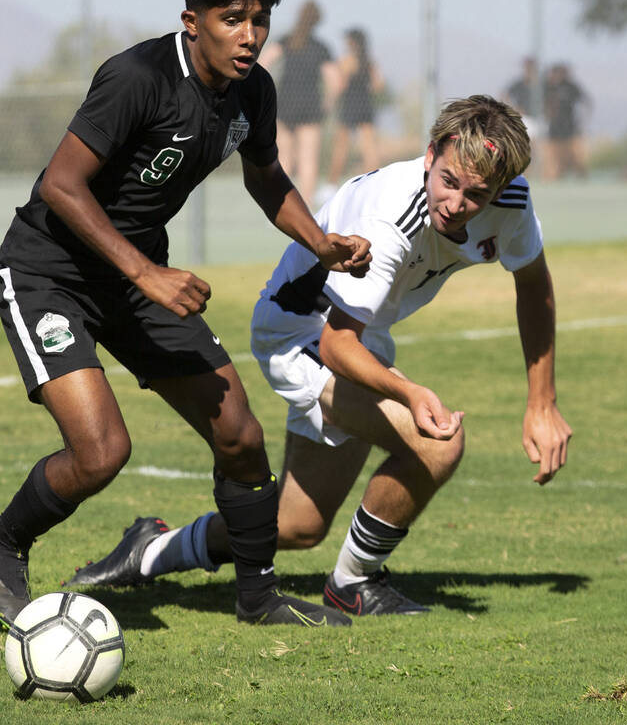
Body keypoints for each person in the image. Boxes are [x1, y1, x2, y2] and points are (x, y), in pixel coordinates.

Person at [0, 0, 372, 631]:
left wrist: (321, 243)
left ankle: (258, 599)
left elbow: (265, 173)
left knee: (241, 435)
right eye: (231, 19)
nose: (248, 37)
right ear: (193, 20)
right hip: (50, 274)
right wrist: (145, 272)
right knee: (101, 453)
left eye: (260, 20)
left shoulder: (254, 89)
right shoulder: (138, 77)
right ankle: (4, 545)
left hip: (138, 280)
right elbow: (60, 186)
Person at [67, 95, 572, 616]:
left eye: (476, 194)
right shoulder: (391, 218)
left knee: (296, 525)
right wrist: (410, 391)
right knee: (437, 441)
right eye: (448, 181)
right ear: (430, 155)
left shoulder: (511, 201)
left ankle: (148, 551)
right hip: (300, 333)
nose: (456, 202)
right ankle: (354, 582)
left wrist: (542, 402)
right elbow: (335, 345)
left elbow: (534, 283)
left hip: (357, 333)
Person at [258, 0, 335, 208]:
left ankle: (280, 207)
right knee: (308, 161)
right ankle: (305, 207)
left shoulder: (286, 41)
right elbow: (334, 79)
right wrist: (327, 102)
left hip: (285, 104)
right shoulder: (320, 48)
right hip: (310, 107)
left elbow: (263, 62)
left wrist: (265, 91)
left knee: (283, 158)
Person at [323, 27, 383, 201]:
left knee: (341, 147)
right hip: (365, 105)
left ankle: (331, 185)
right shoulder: (369, 62)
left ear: (353, 42)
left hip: (349, 106)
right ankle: (373, 184)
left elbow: (339, 85)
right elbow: (378, 86)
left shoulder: (347, 61)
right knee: (369, 147)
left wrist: (329, 101)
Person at [543, 62, 591, 179]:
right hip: (554, 129)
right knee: (554, 162)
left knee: (577, 158)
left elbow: (586, 102)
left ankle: (581, 179)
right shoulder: (546, 87)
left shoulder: (571, 87)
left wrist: (583, 120)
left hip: (571, 128)